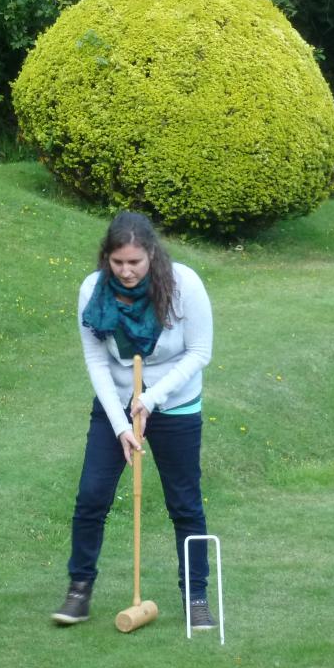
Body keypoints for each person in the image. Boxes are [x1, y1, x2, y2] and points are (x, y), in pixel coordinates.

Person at [52, 211, 215, 628]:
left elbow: (199, 352)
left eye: (134, 263)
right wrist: (122, 423)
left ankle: (196, 597)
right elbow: (96, 360)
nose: (125, 271)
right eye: (117, 262)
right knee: (91, 496)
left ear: (152, 255)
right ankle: (79, 590)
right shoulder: (93, 290)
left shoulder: (183, 286)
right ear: (107, 256)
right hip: (117, 407)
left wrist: (152, 399)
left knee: (184, 504)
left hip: (175, 404)